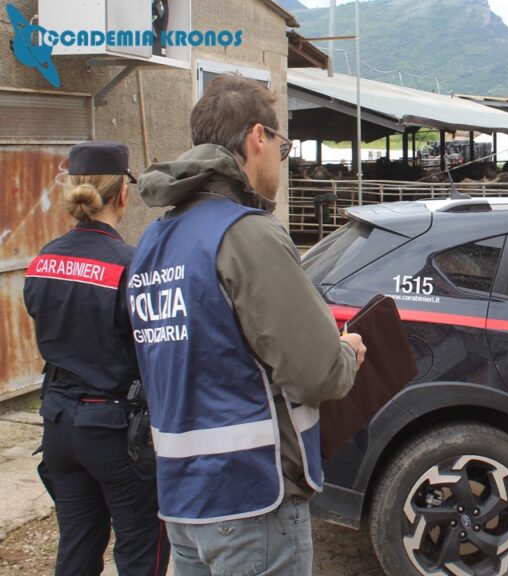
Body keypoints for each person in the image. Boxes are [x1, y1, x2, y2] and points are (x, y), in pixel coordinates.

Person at [127, 75, 366, 575]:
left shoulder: (155, 240)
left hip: (182, 503)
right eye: (283, 146)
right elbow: (317, 374)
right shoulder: (247, 234)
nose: (282, 159)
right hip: (252, 501)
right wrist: (347, 353)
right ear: (259, 137)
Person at [22, 141, 169, 576]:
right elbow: (153, 349)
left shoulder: (43, 259)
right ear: (123, 193)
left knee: (77, 548)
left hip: (59, 429)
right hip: (115, 433)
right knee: (141, 551)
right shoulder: (132, 264)